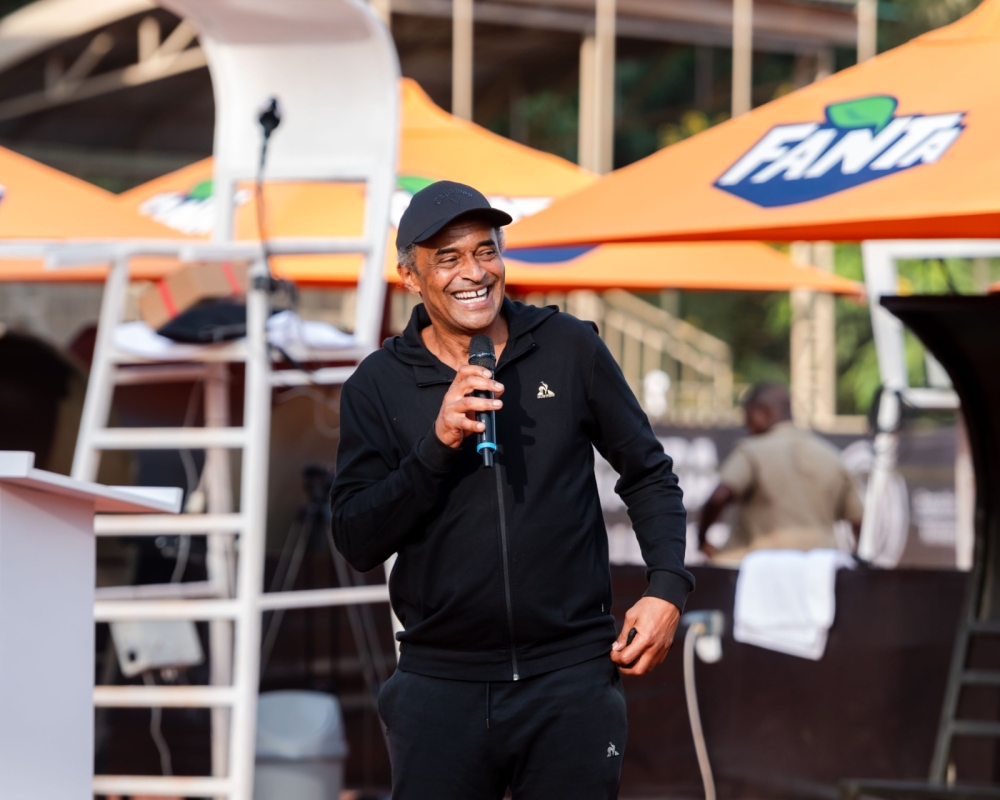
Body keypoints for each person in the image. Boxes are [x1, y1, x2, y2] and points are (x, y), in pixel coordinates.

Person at [330, 180, 692, 800]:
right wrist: (437, 445)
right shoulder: (377, 384)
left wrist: (667, 588)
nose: (473, 272)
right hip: (439, 685)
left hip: (570, 679)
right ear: (411, 278)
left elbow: (648, 471)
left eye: (485, 250)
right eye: (447, 258)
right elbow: (357, 536)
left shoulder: (569, 346)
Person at [698, 382, 863, 562]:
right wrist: (855, 558)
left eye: (748, 417)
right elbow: (858, 520)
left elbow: (718, 496)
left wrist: (702, 539)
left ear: (763, 412)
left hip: (753, 566)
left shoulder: (752, 451)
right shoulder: (833, 457)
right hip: (818, 571)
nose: (747, 426)